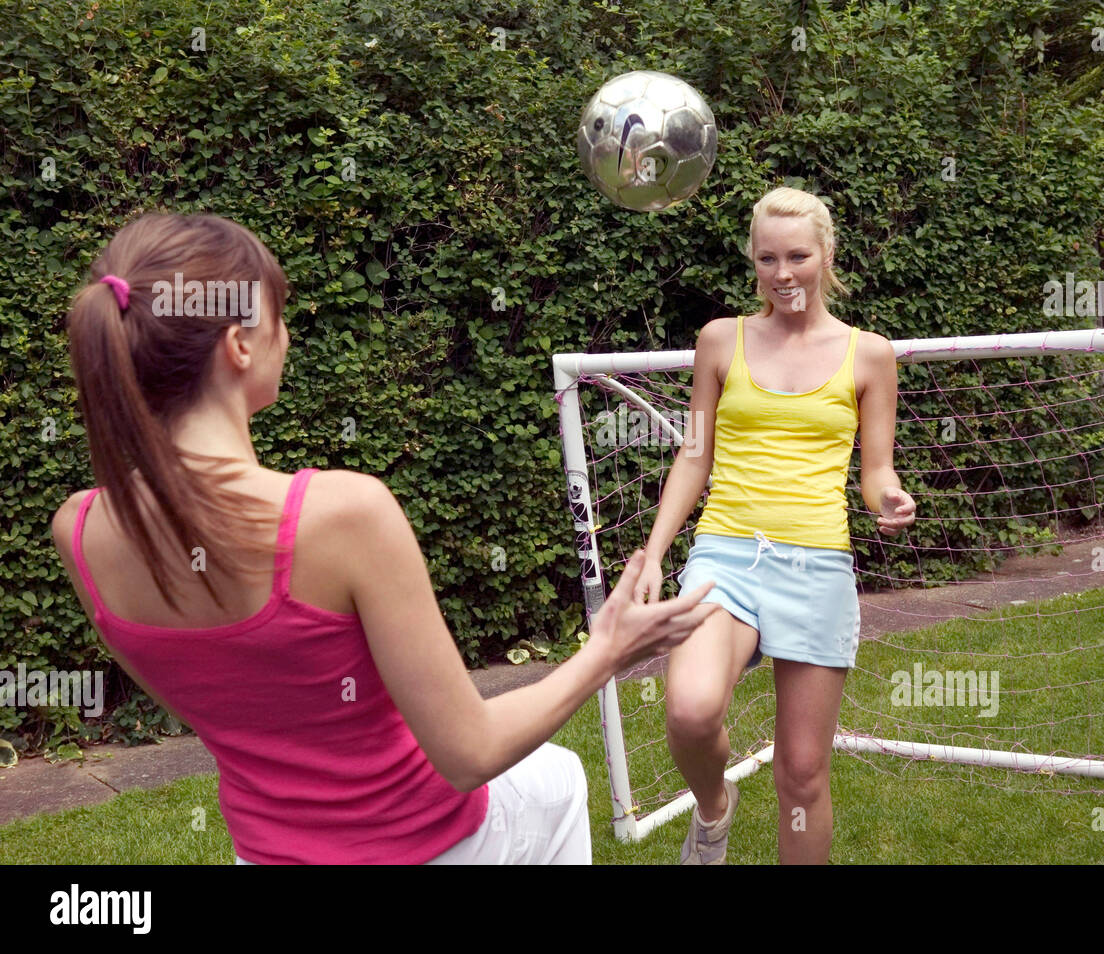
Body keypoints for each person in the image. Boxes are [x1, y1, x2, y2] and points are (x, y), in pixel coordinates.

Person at [48, 212, 717, 864]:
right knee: (561, 782)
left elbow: (231, 699)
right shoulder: (342, 515)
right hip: (431, 843)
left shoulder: (77, 532)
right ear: (239, 345)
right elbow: (469, 754)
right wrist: (607, 650)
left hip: (267, 854)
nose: (287, 336)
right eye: (279, 315)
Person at [635, 187, 917, 864]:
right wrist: (652, 554)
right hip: (726, 555)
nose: (782, 272)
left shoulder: (869, 354)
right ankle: (713, 809)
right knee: (692, 710)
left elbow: (875, 471)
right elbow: (695, 453)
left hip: (816, 567)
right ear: (753, 261)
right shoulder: (719, 340)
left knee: (801, 774)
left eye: (797, 255)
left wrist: (889, 501)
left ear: (825, 255)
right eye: (768, 258)